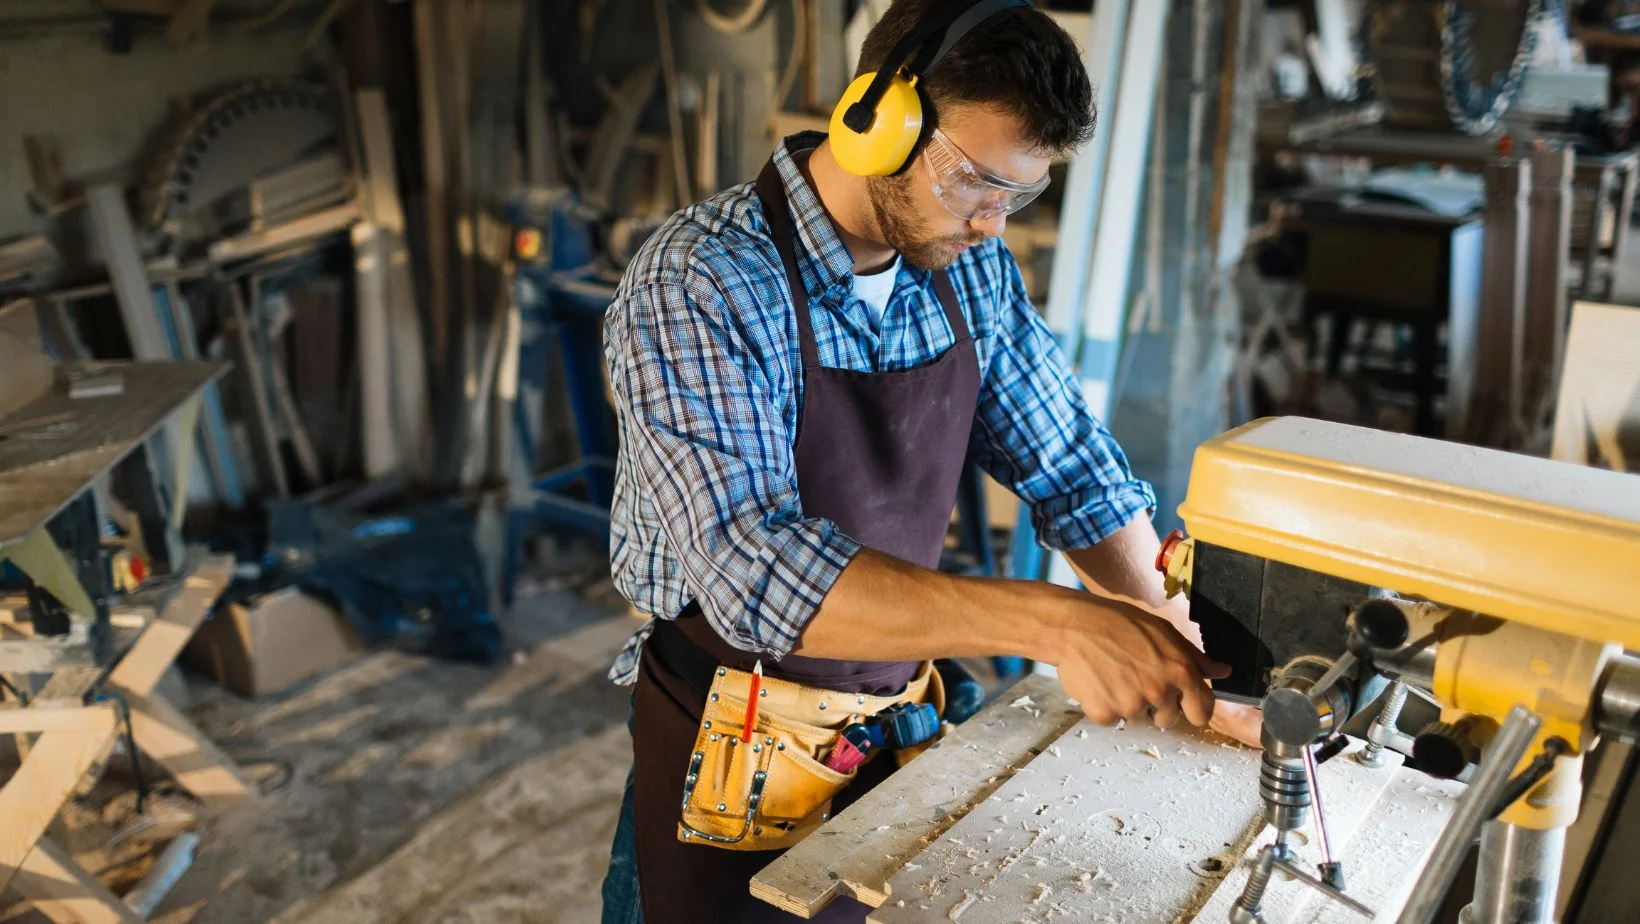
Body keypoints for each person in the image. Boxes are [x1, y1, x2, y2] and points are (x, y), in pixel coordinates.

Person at [597, 1, 1261, 921]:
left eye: (1019, 196)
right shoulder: (703, 280)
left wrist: (1172, 655)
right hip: (727, 748)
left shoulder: (965, 269)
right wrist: (1062, 626)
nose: (993, 225)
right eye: (976, 182)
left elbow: (1070, 465)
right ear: (876, 121)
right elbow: (754, 570)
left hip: (889, 725)